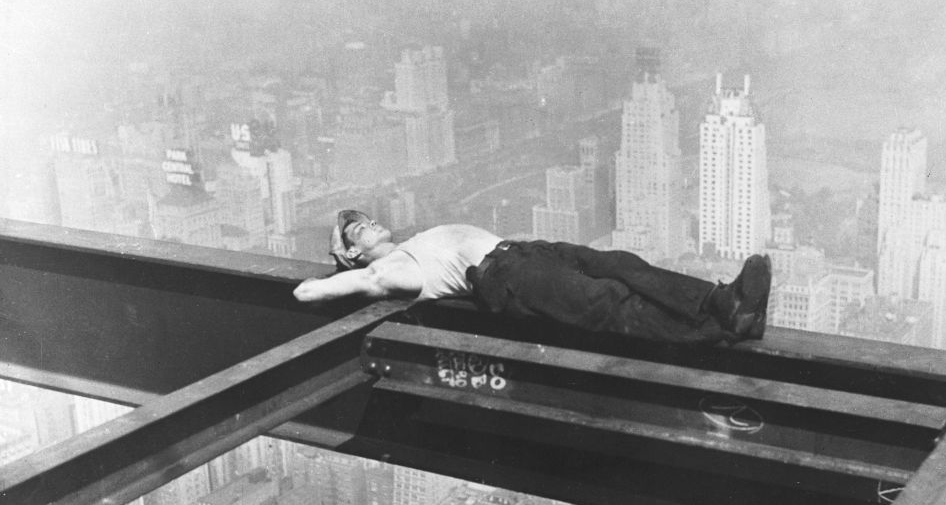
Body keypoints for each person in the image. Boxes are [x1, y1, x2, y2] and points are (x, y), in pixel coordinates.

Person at [293, 210, 772, 346]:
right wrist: (344, 265)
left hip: (522, 252)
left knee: (622, 264)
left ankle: (723, 301)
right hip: (504, 275)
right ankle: (720, 330)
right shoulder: (386, 271)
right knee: (607, 301)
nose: (368, 222)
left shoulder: (409, 244)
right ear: (354, 251)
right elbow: (307, 291)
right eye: (357, 228)